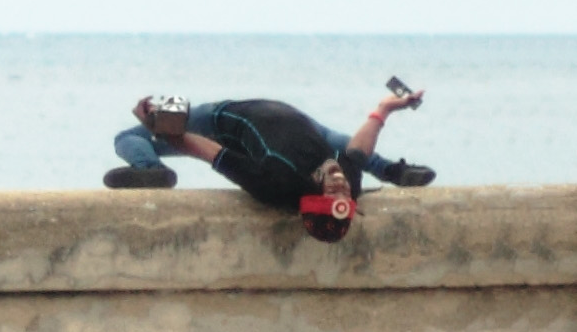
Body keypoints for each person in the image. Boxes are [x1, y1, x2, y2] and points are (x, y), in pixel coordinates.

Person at [103, 89, 432, 242]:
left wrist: (160, 126)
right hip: (305, 124)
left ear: (312, 193)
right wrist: (385, 109)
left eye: (332, 189)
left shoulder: (273, 182)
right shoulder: (347, 185)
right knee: (341, 141)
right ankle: (392, 171)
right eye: (343, 192)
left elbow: (208, 150)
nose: (339, 183)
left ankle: (149, 168)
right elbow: (357, 151)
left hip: (225, 120)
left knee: (127, 136)